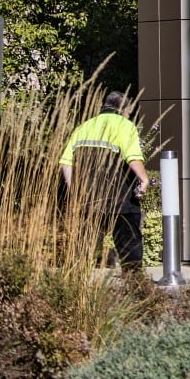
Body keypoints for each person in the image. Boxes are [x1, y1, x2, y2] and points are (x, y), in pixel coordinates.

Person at [60, 89, 150, 271]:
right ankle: (134, 284)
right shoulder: (124, 125)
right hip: (120, 199)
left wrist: (75, 191)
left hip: (88, 198)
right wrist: (144, 179)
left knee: (83, 246)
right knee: (129, 243)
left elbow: (65, 163)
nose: (128, 114)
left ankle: (78, 279)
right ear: (123, 109)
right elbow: (132, 157)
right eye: (129, 111)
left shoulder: (84, 126)